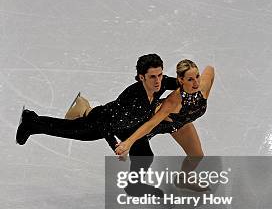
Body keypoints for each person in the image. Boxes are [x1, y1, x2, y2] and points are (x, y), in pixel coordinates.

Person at [15, 54, 177, 154]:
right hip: (101, 121)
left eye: (160, 75)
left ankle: (136, 186)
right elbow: (106, 124)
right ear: (142, 77)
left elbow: (180, 83)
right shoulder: (132, 98)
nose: (158, 80)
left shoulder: (161, 83)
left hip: (128, 126)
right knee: (67, 130)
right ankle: (31, 121)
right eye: (153, 77)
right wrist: (115, 145)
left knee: (144, 155)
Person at [113, 60, 214, 191]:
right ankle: (85, 111)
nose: (196, 83)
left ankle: (183, 179)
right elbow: (151, 124)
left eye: (197, 76)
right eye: (190, 79)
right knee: (141, 153)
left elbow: (210, 70)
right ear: (181, 80)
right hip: (155, 122)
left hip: (180, 123)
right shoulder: (173, 101)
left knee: (197, 156)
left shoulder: (203, 87)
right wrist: (128, 143)